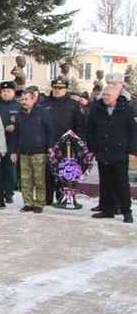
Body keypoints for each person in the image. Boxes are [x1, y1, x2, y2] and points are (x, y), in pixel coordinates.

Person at [86, 83, 136, 223]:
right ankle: (107, 210)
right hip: (102, 151)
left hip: (120, 152)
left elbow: (133, 131)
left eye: (108, 95)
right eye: (104, 94)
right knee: (105, 183)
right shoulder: (97, 109)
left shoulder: (126, 109)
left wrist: (132, 150)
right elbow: (90, 130)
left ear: (116, 96)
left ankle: (126, 212)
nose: (105, 97)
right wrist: (92, 148)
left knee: (122, 183)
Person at [41, 77, 86, 205]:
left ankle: (63, 197)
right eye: (55, 87)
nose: (57, 90)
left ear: (66, 89)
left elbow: (80, 126)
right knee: (48, 172)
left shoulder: (73, 104)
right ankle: (47, 198)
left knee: (64, 172)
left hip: (67, 145)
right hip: (48, 143)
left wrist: (79, 144)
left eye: (60, 88)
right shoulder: (44, 103)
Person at [12, 88, 54, 214]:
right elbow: (16, 134)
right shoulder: (19, 114)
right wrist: (14, 151)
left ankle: (40, 203)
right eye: (22, 99)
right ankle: (28, 203)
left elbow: (50, 131)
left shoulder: (42, 112)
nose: (23, 102)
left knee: (39, 179)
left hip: (39, 151)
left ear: (33, 99)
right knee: (25, 180)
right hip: (24, 152)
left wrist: (50, 147)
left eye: (26, 99)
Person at [0, 81, 20, 203]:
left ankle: (9, 192)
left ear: (13, 92)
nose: (5, 93)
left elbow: (23, 123)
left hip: (12, 142)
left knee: (10, 169)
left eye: (8, 91)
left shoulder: (18, 106)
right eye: (3, 91)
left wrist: (15, 127)